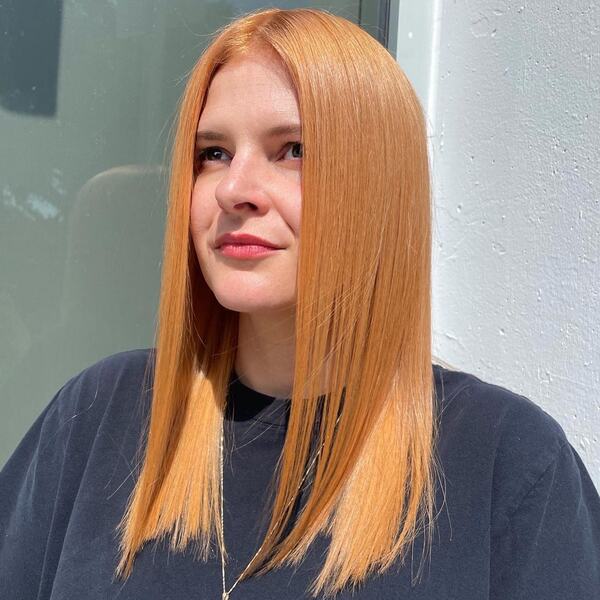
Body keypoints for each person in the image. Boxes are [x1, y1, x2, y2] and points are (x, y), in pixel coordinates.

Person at [1, 7, 599, 600]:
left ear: (379, 186)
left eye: (292, 149)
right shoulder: (101, 417)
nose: (235, 189)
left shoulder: (504, 465)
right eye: (214, 153)